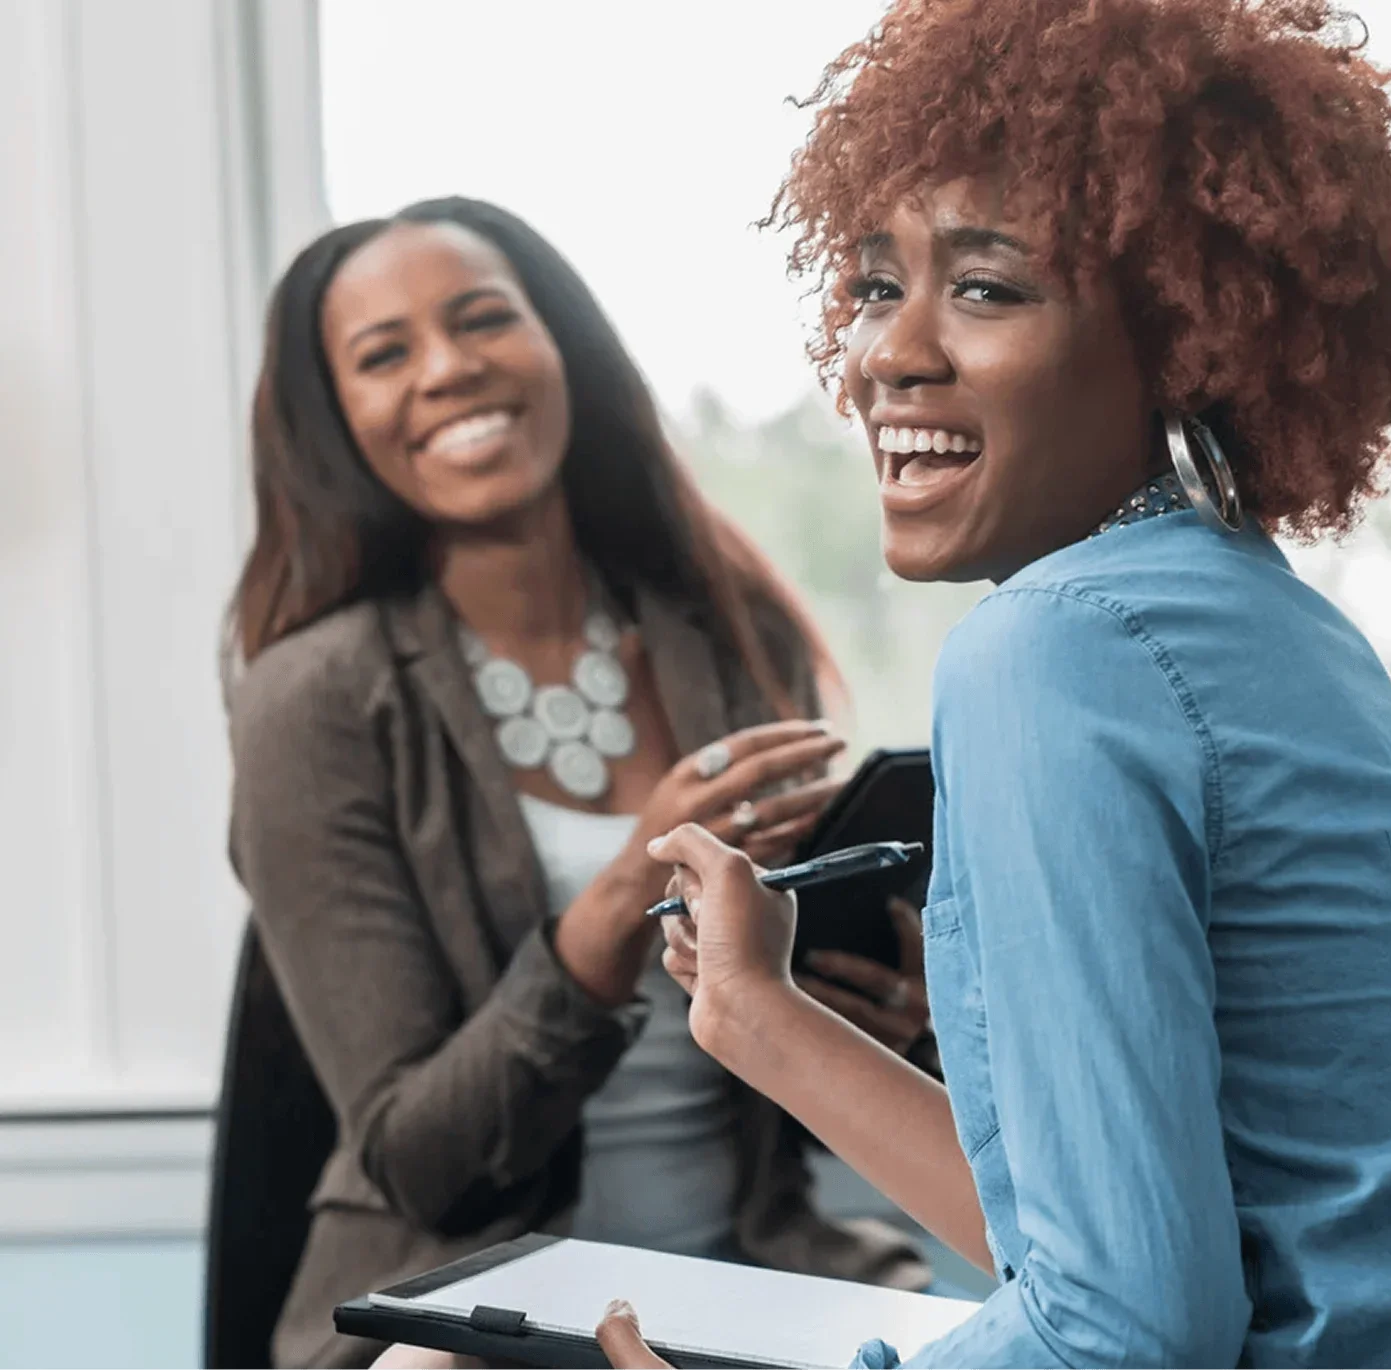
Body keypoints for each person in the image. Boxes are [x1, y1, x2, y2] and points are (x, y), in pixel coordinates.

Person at [590, 0, 1391, 1366]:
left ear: (1182, 335)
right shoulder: (1278, 632)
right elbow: (1113, 1248)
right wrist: (758, 1015)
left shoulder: (1056, 648)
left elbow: (1129, 1334)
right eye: (876, 286)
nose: (889, 356)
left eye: (987, 286)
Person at [225, 196, 936, 1370]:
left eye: (481, 319)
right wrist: (611, 911)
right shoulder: (314, 699)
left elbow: (787, 1032)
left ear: (561, 346)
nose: (448, 369)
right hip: (459, 1320)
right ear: (336, 420)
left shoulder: (725, 629)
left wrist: (900, 1029)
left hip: (751, 1283)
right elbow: (414, 1155)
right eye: (385, 354)